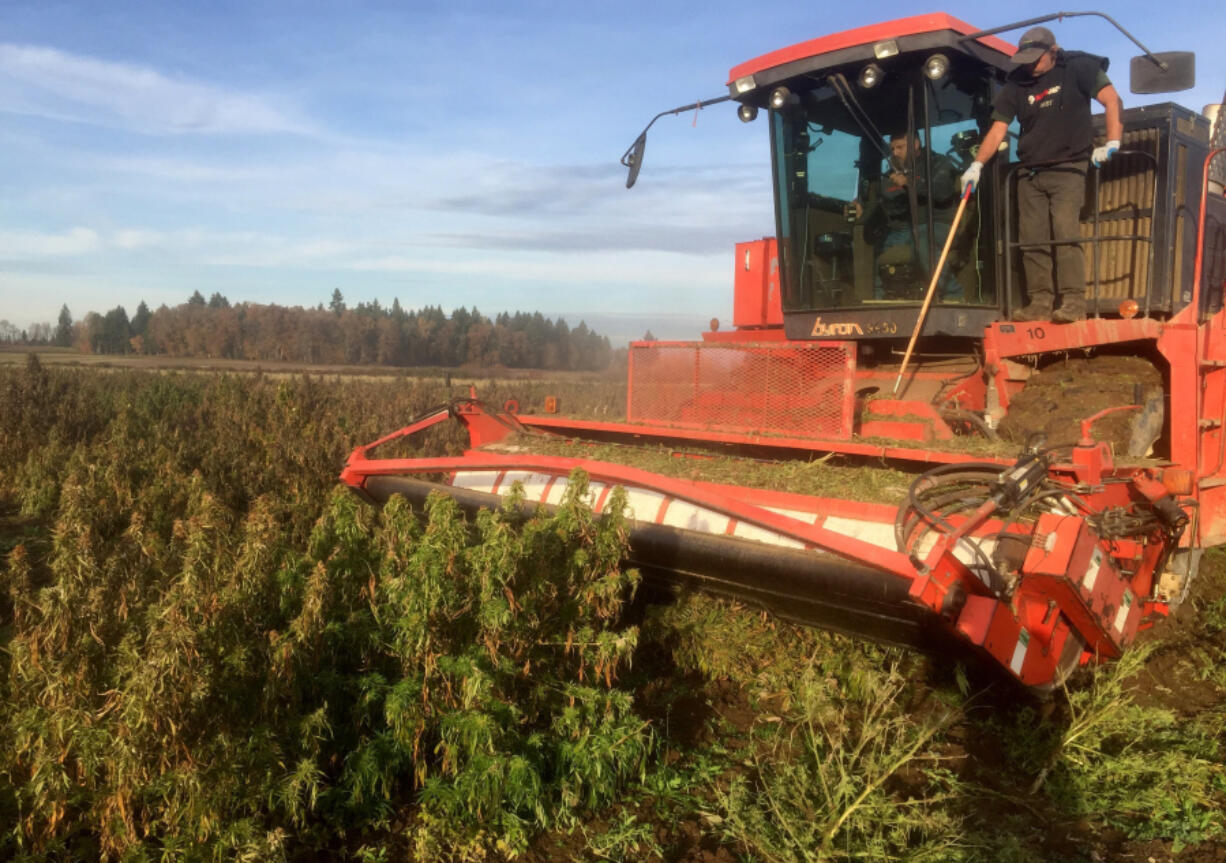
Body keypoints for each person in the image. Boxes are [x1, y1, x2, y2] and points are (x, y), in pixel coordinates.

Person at [960, 26, 1123, 323]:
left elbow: (1112, 100)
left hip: (1068, 166)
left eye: (1037, 58)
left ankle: (1073, 302)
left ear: (1053, 51)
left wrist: (1112, 141)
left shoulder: (1079, 67)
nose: (1031, 65)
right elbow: (997, 130)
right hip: (1030, 172)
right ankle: (1040, 302)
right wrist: (977, 165)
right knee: (1031, 239)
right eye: (1026, 59)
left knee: (1064, 233)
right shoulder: (1017, 84)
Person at [857, 132, 964, 300]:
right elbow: (885, 206)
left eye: (900, 147)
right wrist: (863, 213)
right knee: (877, 248)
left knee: (922, 240)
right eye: (892, 149)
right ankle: (880, 301)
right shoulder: (890, 174)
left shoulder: (938, 163)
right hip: (903, 229)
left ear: (915, 144)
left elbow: (942, 192)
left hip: (937, 225)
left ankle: (953, 295)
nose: (895, 153)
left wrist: (909, 183)